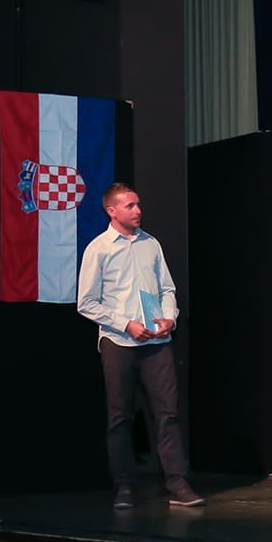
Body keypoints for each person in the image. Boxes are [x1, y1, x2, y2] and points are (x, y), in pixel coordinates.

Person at [77, 182, 204, 509]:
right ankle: (124, 485)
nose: (138, 211)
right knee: (120, 416)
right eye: (130, 206)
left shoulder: (151, 244)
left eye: (138, 205)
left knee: (168, 413)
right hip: (119, 342)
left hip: (157, 342)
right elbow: (86, 303)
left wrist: (169, 318)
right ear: (112, 211)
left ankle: (177, 482)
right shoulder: (99, 249)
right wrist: (126, 324)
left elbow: (167, 289)